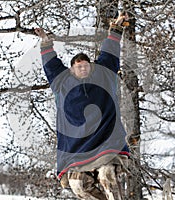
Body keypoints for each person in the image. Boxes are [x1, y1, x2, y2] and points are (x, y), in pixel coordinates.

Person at [35, 14, 130, 200]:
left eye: (86, 66)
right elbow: (51, 65)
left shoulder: (104, 75)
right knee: (78, 185)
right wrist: (46, 42)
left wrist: (117, 27)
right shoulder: (62, 83)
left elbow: (110, 51)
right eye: (78, 67)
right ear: (71, 70)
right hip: (78, 152)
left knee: (107, 176)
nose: (83, 69)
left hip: (106, 144)